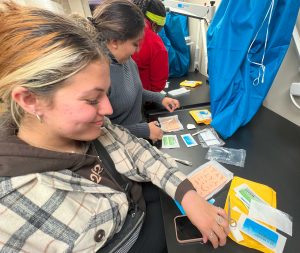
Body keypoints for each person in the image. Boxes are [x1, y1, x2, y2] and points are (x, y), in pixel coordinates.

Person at [0, 2, 229, 253]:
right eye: (92, 99)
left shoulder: (97, 128)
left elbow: (141, 152)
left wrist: (189, 195)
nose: (109, 110)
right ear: (31, 100)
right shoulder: (10, 209)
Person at [92, 0, 179, 142]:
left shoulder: (127, 60)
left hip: (139, 131)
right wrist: (144, 130)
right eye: (135, 44)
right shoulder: (98, 74)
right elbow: (102, 131)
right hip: (121, 143)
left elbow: (135, 90)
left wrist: (160, 98)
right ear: (115, 41)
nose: (138, 49)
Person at [131, 0, 168, 92]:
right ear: (154, 24)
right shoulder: (156, 45)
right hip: (144, 100)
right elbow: (158, 86)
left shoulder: (124, 28)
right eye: (159, 28)